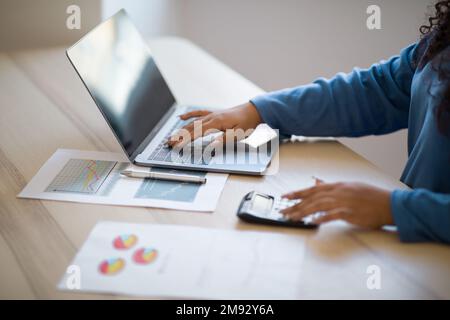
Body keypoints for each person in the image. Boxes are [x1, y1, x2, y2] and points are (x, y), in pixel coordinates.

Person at [168, 1, 450, 244]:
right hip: (413, 240)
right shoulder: (443, 39)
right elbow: (377, 91)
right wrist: (258, 110)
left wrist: (395, 208)